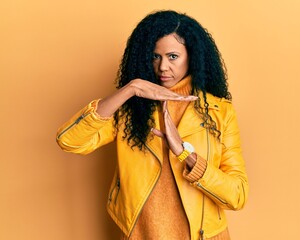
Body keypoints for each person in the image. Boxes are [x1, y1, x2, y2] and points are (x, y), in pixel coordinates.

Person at [56, 10, 248, 240]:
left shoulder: (219, 111)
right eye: (155, 56)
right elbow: (69, 141)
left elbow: (237, 195)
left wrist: (185, 153)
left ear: (192, 56)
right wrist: (131, 89)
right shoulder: (130, 109)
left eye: (173, 56)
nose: (163, 67)